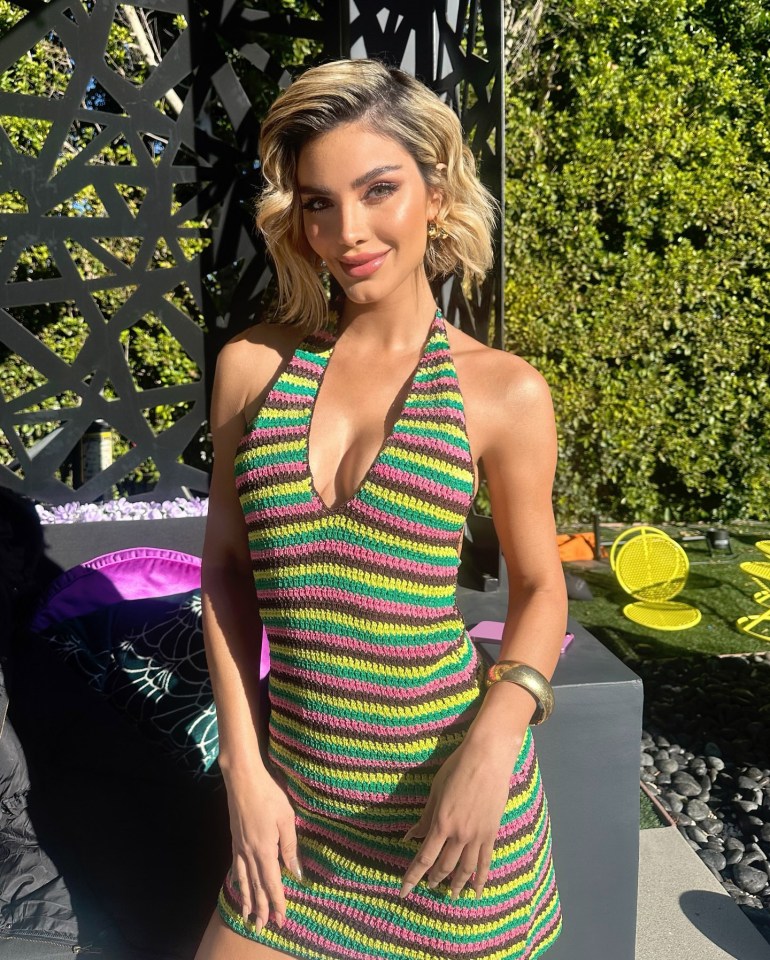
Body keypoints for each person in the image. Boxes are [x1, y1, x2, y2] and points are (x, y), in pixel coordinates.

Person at [195, 58, 566, 960]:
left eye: (379, 189)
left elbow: (541, 587)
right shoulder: (255, 369)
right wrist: (245, 773)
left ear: (435, 191)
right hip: (295, 823)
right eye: (319, 202)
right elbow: (226, 574)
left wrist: (491, 747)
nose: (347, 231)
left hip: (452, 831)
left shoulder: (501, 392)